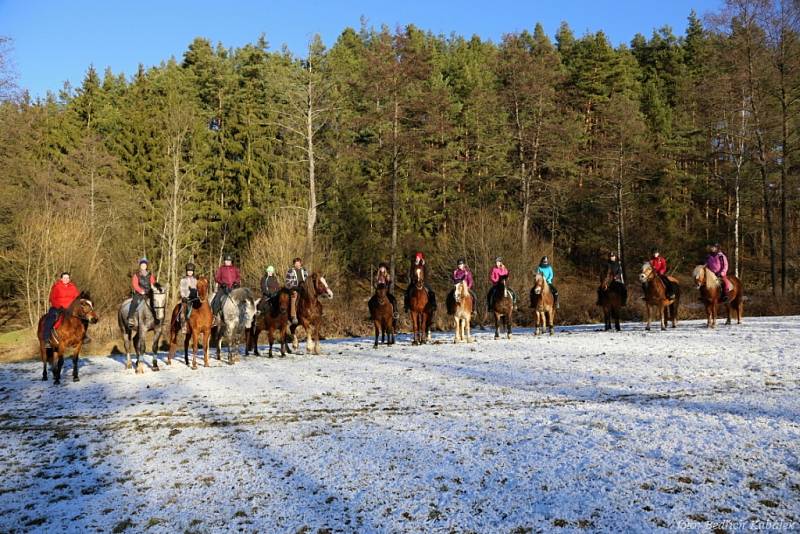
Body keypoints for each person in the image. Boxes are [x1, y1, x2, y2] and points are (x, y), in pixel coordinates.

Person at [42, 272, 80, 346]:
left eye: (67, 278)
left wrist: (75, 306)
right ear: (61, 279)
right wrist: (59, 306)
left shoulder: (73, 287)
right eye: (64, 278)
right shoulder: (56, 286)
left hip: (70, 308)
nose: (66, 279)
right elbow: (52, 298)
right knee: (51, 318)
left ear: (69, 279)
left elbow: (77, 298)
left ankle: (83, 336)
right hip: (58, 307)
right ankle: (46, 338)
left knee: (82, 317)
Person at [128, 258, 157, 328]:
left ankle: (157, 318)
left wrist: (154, 289)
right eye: (142, 264)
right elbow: (135, 284)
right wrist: (141, 291)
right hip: (139, 293)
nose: (143, 266)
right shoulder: (136, 275)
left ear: (146, 266)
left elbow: (153, 283)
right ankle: (131, 318)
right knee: (134, 302)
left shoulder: (150, 275)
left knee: (157, 302)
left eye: (145, 265)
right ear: (140, 266)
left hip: (149, 293)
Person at [286, 257, 308, 325]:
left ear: (300, 263)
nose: (297, 264)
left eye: (298, 263)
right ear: (294, 264)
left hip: (303, 288)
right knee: (294, 296)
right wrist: (295, 287)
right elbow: (287, 282)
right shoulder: (290, 271)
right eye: (296, 263)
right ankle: (293, 316)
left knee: (312, 295)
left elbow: (307, 280)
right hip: (295, 289)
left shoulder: (304, 270)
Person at [178, 263, 198, 333]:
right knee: (183, 311)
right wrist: (183, 296)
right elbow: (181, 289)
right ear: (186, 271)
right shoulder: (183, 280)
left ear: (193, 271)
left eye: (191, 271)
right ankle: (184, 326)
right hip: (186, 299)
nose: (190, 272)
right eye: (188, 271)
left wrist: (197, 296)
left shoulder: (195, 280)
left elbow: (197, 289)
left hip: (195, 298)